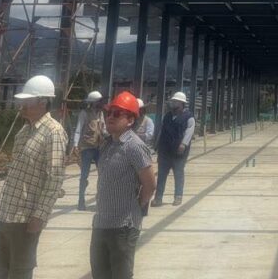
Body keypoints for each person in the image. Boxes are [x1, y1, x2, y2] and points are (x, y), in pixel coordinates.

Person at [0, 74, 68, 279]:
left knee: (19, 272)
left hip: (25, 219)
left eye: (26, 101)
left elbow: (54, 178)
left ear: (42, 102)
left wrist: (40, 215)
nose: (20, 105)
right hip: (4, 213)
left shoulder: (53, 132)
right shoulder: (23, 131)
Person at [90, 90, 155, 279]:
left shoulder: (134, 146)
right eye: (109, 113)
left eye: (117, 114)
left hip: (123, 227)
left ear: (130, 120)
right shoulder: (108, 144)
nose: (110, 117)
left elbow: (150, 185)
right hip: (101, 223)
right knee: (100, 274)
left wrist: (135, 207)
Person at [152, 91, 195, 206]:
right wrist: (156, 146)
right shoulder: (167, 116)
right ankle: (158, 198)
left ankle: (178, 196)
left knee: (178, 174)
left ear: (181, 103)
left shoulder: (189, 117)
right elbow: (162, 131)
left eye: (175, 101)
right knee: (161, 175)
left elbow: (189, 132)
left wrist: (183, 144)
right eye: (172, 101)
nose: (172, 103)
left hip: (179, 152)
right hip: (165, 151)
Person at [71, 90, 105, 211]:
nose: (101, 104)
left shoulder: (101, 114)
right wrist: (75, 144)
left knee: (102, 175)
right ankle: (81, 200)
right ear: (94, 102)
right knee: (84, 175)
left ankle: (100, 200)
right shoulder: (84, 113)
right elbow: (79, 129)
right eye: (99, 101)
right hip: (87, 148)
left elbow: (104, 129)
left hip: (99, 148)